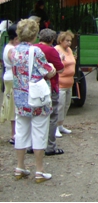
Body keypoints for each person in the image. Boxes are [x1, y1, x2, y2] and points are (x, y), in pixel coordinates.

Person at [12, 19, 56, 183]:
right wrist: (51, 68)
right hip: (36, 99)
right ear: (35, 34)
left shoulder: (14, 51)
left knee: (21, 132)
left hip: (20, 98)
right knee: (39, 132)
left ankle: (20, 167)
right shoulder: (36, 51)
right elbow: (48, 72)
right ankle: (39, 170)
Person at [35, 29, 65, 156]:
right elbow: (61, 69)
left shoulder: (33, 48)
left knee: (35, 116)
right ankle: (50, 146)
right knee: (52, 116)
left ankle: (33, 145)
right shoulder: (51, 51)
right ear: (52, 40)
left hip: (34, 87)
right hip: (49, 86)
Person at [54, 30, 76, 137]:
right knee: (60, 105)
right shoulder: (57, 50)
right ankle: (56, 127)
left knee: (67, 104)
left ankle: (61, 124)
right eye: (67, 41)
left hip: (69, 83)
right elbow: (57, 64)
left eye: (70, 41)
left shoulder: (69, 50)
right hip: (60, 83)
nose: (69, 43)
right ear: (61, 40)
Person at [1, 23, 19, 145]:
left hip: (9, 77)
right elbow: (16, 62)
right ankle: (14, 134)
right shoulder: (11, 49)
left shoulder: (7, 46)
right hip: (12, 78)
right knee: (13, 106)